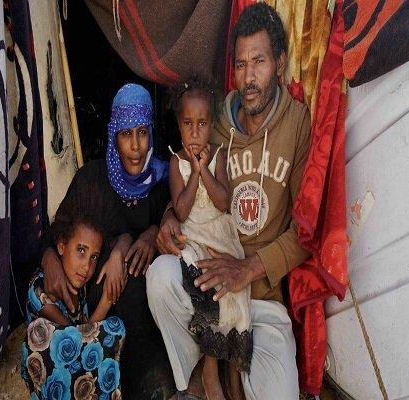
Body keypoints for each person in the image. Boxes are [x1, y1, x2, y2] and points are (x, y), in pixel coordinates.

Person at [146, 3, 311, 399]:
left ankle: (233, 367)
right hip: (209, 279)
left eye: (259, 61)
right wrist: (169, 217)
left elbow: (306, 231)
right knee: (160, 278)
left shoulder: (297, 123)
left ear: (280, 63)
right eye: (240, 64)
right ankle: (203, 371)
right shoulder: (215, 120)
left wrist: (247, 268)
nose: (248, 77)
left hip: (262, 296)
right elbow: (187, 171)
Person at [40, 83, 175, 398]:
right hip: (96, 309)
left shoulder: (161, 182)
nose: (136, 146)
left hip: (144, 314)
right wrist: (49, 259)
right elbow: (54, 235)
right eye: (126, 134)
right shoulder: (91, 180)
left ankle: (156, 385)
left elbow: (176, 225)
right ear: (114, 136)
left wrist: (152, 233)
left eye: (142, 133)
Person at [166, 77, 251, 400]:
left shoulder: (218, 155)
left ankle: (233, 374)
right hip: (194, 235)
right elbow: (181, 210)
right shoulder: (176, 162)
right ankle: (210, 369)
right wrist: (192, 172)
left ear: (211, 125)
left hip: (220, 234)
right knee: (204, 284)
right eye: (188, 124)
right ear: (179, 125)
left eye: (201, 124)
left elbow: (223, 201)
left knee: (233, 295)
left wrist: (204, 170)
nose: (194, 132)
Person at [21, 188, 125, 399]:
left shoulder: (80, 287)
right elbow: (73, 341)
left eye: (94, 257)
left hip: (79, 370)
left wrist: (117, 254)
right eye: (81, 250)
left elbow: (86, 338)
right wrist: (106, 302)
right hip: (52, 372)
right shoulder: (40, 286)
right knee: (111, 330)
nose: (86, 266)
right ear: (61, 246)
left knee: (109, 332)